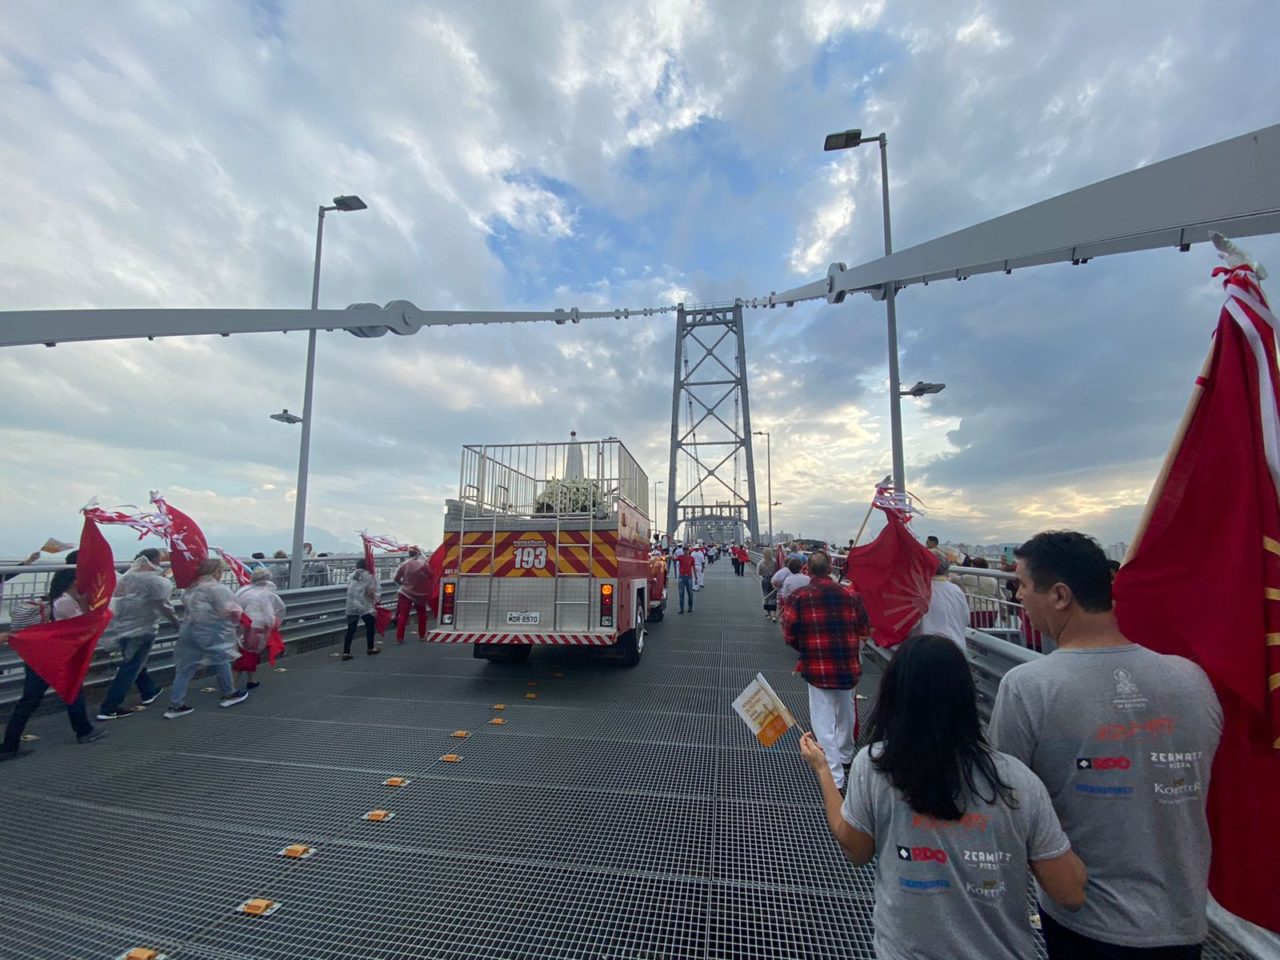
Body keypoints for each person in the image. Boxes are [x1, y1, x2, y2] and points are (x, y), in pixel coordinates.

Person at [989, 531, 1222, 959]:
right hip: (1184, 919)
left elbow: (1006, 805)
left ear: (1060, 596)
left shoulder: (1028, 688)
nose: (1018, 595)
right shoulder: (1192, 680)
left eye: (1022, 584)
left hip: (1083, 919)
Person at [801, 633, 1086, 960]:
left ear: (893, 696)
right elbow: (1070, 892)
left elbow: (856, 849)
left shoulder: (876, 766)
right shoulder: (1018, 782)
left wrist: (823, 770)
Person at [782, 551, 869, 790]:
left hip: (818, 666)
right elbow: (864, 627)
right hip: (848, 665)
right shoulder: (850, 595)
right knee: (846, 713)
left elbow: (789, 633)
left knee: (823, 720)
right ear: (831, 567)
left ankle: (834, 776)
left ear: (807, 569)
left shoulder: (800, 597)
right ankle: (846, 755)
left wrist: (806, 647)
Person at [1, 566, 107, 760]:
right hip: (55, 658)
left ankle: (10, 744)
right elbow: (81, 627)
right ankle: (83, 731)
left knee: (33, 700)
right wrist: (86, 606)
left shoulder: (54, 600)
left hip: (41, 657)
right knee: (71, 690)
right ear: (74, 581)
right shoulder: (66, 603)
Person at [96, 548, 179, 721]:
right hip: (142, 628)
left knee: (134, 662)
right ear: (155, 561)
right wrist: (176, 622)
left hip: (123, 626)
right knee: (131, 666)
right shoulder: (155, 581)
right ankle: (109, 707)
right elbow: (163, 605)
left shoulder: (126, 577)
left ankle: (149, 691)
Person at [165, 558, 249, 718]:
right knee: (222, 659)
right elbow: (232, 611)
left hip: (189, 631)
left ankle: (175, 705)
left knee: (185, 668)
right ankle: (229, 694)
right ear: (217, 572)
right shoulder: (219, 590)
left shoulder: (190, 589)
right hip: (211, 632)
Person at [233, 567, 286, 691]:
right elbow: (268, 615)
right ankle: (231, 688)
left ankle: (251, 679)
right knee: (246, 656)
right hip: (255, 628)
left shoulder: (243, 590)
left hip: (241, 626)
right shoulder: (264, 594)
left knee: (247, 654)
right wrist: (272, 624)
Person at [911, 553, 969, 649]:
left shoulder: (919, 591)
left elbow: (912, 624)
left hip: (925, 650)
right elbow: (966, 619)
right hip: (957, 647)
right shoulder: (956, 590)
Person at [343, 558, 381, 658]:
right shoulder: (369, 576)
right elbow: (370, 592)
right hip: (365, 606)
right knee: (370, 627)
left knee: (351, 629)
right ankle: (370, 647)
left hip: (351, 605)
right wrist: (376, 599)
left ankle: (346, 652)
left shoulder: (352, 576)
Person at [393, 547, 432, 643]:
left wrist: (403, 584)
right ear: (419, 554)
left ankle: (399, 637)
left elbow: (396, 579)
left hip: (405, 592)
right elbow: (431, 575)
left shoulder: (404, 565)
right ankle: (422, 635)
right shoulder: (424, 565)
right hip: (420, 594)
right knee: (422, 614)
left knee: (403, 615)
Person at [957, 556, 1002, 630]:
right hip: (993, 611)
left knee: (975, 633)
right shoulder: (993, 579)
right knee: (987, 632)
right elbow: (1002, 597)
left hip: (977, 610)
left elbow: (953, 579)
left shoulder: (970, 577)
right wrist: (1003, 614)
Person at [758, 549, 780, 621]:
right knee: (773, 596)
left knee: (766, 595)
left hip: (765, 580)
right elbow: (778, 570)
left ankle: (769, 614)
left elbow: (759, 573)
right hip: (773, 579)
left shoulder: (761, 563)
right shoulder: (775, 562)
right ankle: (774, 615)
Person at [675, 546, 695, 613]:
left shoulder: (692, 558)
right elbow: (675, 559)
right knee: (681, 594)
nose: (686, 551)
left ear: (689, 551)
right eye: (685, 550)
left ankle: (690, 607)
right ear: (683, 551)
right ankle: (681, 609)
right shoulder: (680, 557)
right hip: (682, 577)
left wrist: (696, 576)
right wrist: (670, 556)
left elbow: (693, 567)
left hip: (689, 576)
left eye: (687, 550)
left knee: (690, 593)